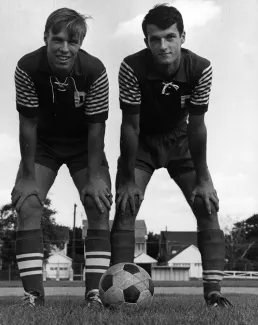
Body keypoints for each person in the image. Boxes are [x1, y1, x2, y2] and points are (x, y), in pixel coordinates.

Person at [111, 4, 232, 308]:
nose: (162, 46)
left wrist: (204, 179)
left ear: (182, 37)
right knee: (126, 206)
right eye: (155, 39)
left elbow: (198, 126)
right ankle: (116, 292)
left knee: (207, 205)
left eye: (169, 37)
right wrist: (126, 179)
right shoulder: (131, 67)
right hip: (142, 142)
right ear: (146, 42)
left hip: (180, 140)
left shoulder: (200, 68)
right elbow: (130, 125)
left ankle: (214, 293)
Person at [12, 8, 112, 307]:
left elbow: (97, 128)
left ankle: (94, 293)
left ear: (81, 43)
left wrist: (94, 179)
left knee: (98, 203)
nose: (64, 48)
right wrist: (28, 177)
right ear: (46, 38)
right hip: (44, 144)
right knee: (27, 204)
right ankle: (34, 296)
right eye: (57, 40)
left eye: (73, 41)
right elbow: (27, 123)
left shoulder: (95, 70)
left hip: (84, 145)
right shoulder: (27, 67)